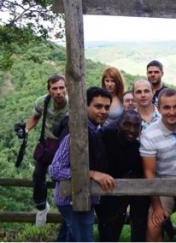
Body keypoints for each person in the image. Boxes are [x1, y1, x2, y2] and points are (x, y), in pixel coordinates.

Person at [49, 87, 116, 242]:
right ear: (85, 106)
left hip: (85, 198)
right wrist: (92, 174)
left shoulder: (96, 130)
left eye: (107, 107)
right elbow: (55, 170)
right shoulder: (76, 132)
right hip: (72, 201)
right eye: (98, 106)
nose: (103, 111)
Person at [140, 88, 176, 241]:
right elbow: (149, 173)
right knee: (153, 225)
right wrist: (157, 206)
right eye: (166, 107)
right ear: (158, 109)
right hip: (164, 185)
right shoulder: (150, 134)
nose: (172, 112)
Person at [95, 110, 149, 242]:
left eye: (136, 126)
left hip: (127, 190)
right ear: (118, 124)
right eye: (127, 124)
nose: (131, 129)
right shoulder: (104, 136)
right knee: (109, 227)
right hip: (103, 188)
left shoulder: (138, 146)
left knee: (140, 215)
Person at [24, 75, 68, 227]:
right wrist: (26, 130)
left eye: (62, 88)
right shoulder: (43, 102)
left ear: (66, 88)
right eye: (54, 88)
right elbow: (35, 117)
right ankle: (42, 207)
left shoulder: (74, 104)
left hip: (65, 146)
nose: (58, 92)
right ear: (49, 90)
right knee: (37, 176)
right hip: (47, 144)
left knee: (61, 179)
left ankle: (65, 212)